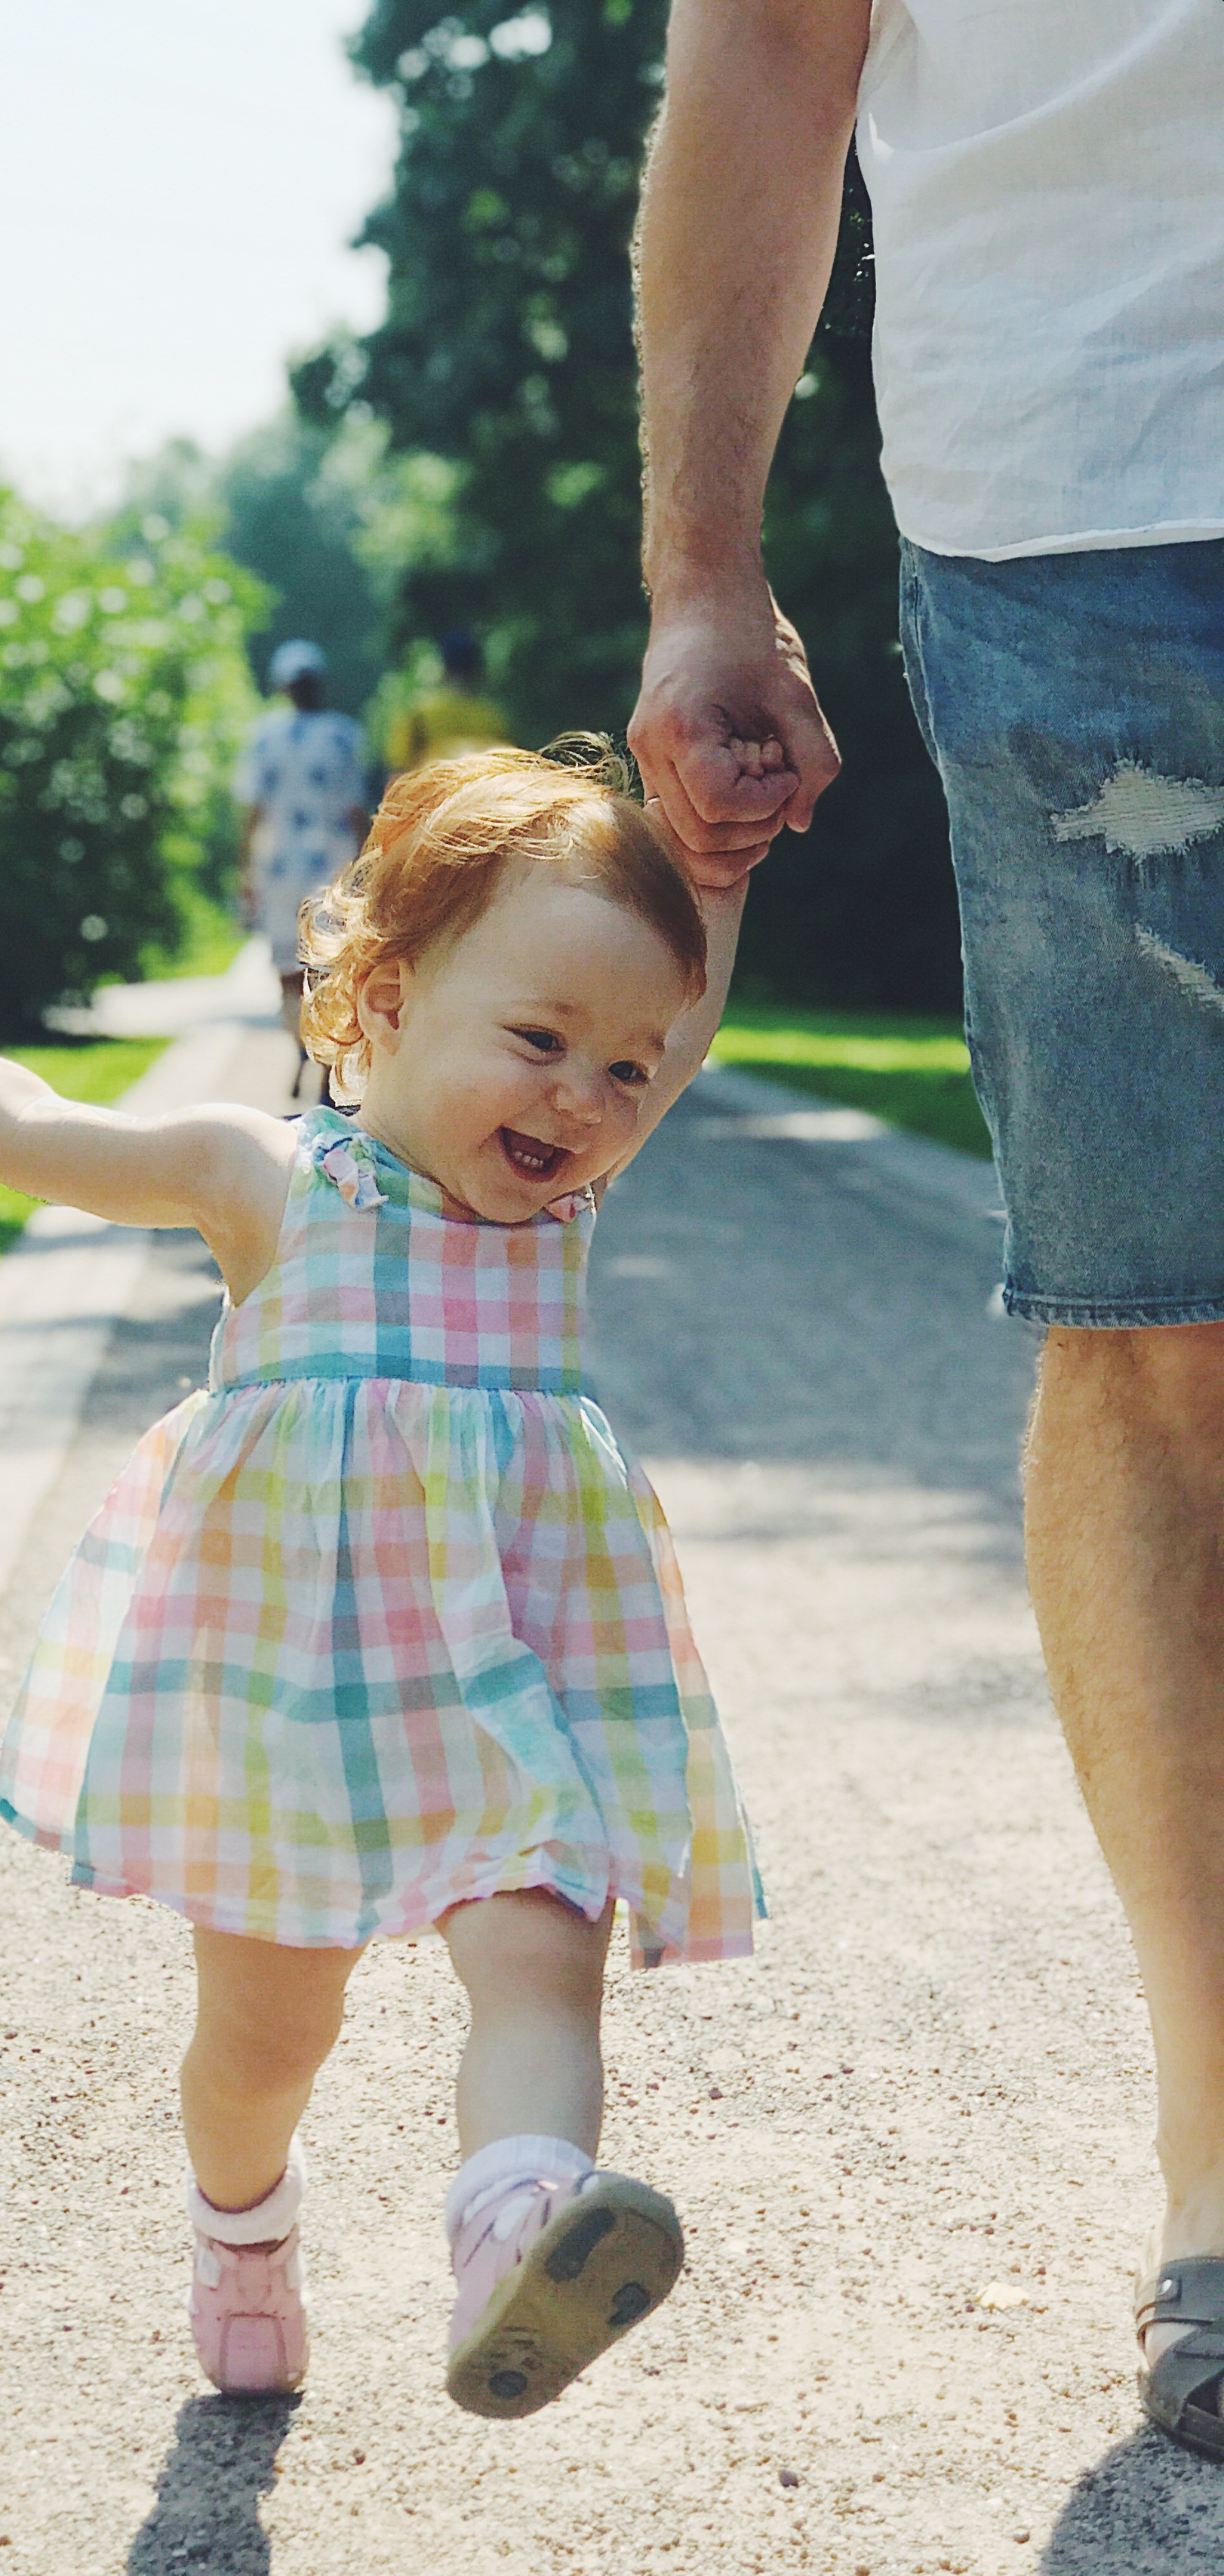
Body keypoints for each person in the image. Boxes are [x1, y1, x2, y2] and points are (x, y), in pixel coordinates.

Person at [0, 745, 760, 2418]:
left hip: (504, 1682)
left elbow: (687, 1004)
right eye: (536, 1042)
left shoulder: (561, 1207)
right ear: (372, 1000)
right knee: (260, 2043)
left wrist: (717, 868)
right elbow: (29, 1124)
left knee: (543, 1946)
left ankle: (517, 2219)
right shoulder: (270, 1181)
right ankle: (242, 2222)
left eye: (623, 1068)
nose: (583, 1097)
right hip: (299, 1701)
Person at [627, 0, 1224, 2461]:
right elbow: (771, 41)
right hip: (1082, 495)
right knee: (1168, 1339)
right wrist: (700, 570)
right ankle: (1222, 2169)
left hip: (1065, 502)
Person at [235, 639, 368, 1088]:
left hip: (277, 868)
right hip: (331, 867)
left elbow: (253, 810)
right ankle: (327, 1064)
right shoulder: (345, 734)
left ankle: (300, 1048)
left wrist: (243, 870)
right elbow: (355, 810)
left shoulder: (264, 736)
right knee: (330, 966)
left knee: (288, 971)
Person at [383, 628, 512, 774]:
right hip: (484, 793)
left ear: (444, 667)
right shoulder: (494, 716)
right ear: (478, 669)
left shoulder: (419, 712)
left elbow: (398, 766)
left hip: (431, 793)